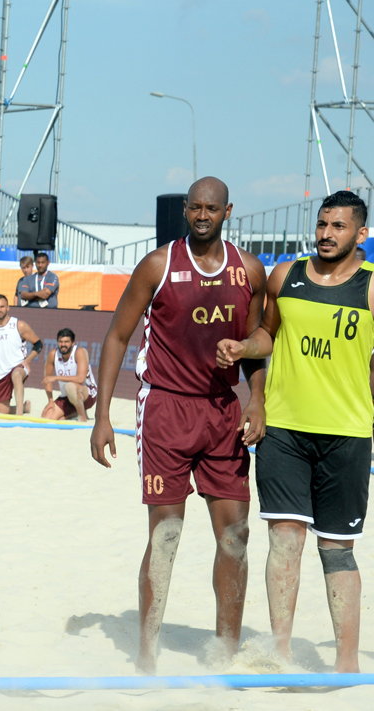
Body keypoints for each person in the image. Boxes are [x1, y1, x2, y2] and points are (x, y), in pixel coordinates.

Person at [89, 177, 268, 674]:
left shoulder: (249, 269)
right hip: (166, 410)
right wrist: (103, 416)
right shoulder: (158, 265)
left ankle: (225, 653)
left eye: (212, 207)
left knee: (236, 537)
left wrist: (257, 401)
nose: (203, 215)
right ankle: (147, 655)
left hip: (222, 412)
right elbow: (118, 335)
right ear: (185, 212)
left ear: (227, 211)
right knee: (166, 535)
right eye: (195, 208)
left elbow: (257, 342)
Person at [216, 190, 371, 673]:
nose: (326, 234)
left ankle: (346, 664)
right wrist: (244, 346)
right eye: (323, 224)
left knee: (336, 550)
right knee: (284, 540)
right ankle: (279, 654)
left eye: (338, 226)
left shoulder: (369, 288)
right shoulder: (288, 275)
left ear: (360, 234)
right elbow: (267, 332)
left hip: (347, 434)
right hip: (283, 430)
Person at [0, 293, 43, 416]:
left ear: (8, 308)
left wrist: (27, 361)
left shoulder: (19, 325)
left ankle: (19, 414)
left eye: (2, 307)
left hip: (17, 366)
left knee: (17, 374)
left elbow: (38, 344)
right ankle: (23, 407)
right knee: (2, 411)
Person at [40, 327, 98, 423]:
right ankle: (72, 414)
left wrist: (56, 377)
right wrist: (50, 400)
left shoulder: (79, 352)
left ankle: (82, 417)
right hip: (67, 396)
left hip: (87, 394)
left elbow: (80, 378)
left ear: (73, 343)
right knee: (47, 418)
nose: (63, 344)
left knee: (70, 386)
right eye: (60, 341)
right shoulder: (53, 354)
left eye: (66, 342)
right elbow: (47, 380)